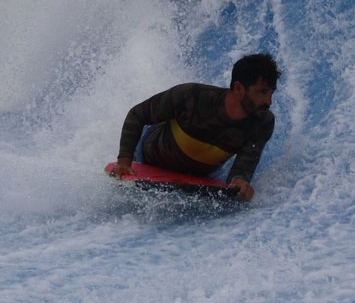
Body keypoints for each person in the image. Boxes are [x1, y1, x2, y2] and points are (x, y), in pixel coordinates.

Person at [111, 53, 280, 202]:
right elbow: (137, 114)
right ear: (238, 88)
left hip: (196, 172)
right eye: (262, 92)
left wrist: (240, 181)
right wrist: (124, 161)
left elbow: (244, 166)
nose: (269, 101)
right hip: (149, 152)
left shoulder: (262, 122)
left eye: (271, 92)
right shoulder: (191, 97)